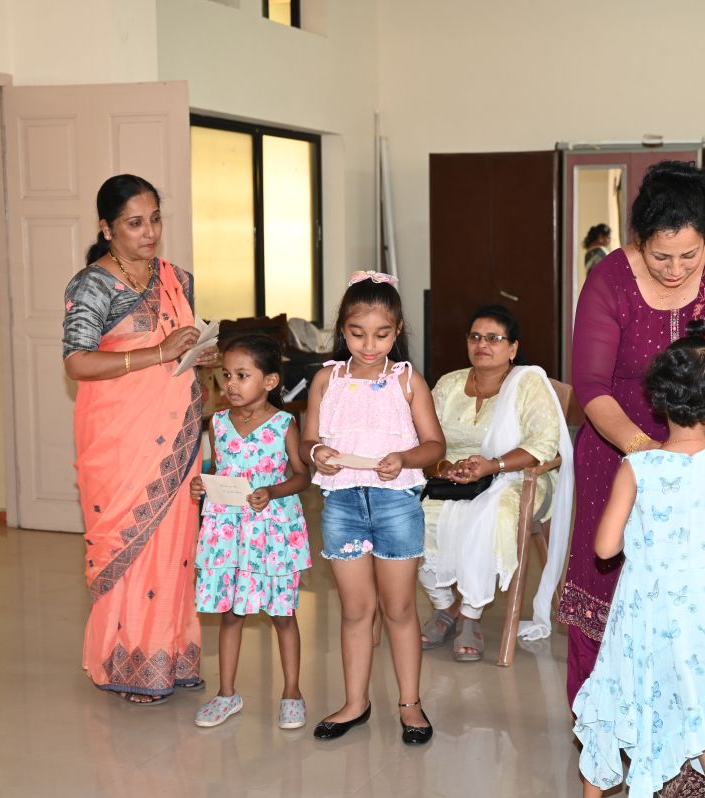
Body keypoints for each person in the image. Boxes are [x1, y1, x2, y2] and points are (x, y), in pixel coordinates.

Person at [558, 160, 705, 707]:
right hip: (617, 451)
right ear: (639, 239)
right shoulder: (609, 278)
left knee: (703, 586)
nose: (675, 269)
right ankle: (608, 719)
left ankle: (699, 717)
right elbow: (591, 385)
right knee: (610, 583)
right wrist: (647, 454)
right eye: (660, 256)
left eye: (689, 255)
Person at [572, 326, 705, 798]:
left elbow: (605, 549)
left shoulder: (638, 467)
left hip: (645, 608)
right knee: (704, 711)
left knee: (616, 700)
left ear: (658, 398)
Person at [63, 174, 217, 704]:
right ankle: (127, 661)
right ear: (107, 229)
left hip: (175, 432)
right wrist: (158, 352)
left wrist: (198, 354)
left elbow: (179, 347)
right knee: (132, 546)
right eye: (134, 223)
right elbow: (78, 361)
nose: (149, 232)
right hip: (120, 440)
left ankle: (170, 655)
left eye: (154, 219)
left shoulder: (177, 278)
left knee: (176, 546)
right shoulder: (92, 286)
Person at [301, 271, 445, 744]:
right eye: (357, 333)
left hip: (395, 504)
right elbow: (307, 439)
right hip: (342, 505)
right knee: (355, 610)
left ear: (397, 330)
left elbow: (435, 446)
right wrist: (316, 452)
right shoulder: (327, 380)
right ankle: (355, 702)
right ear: (342, 330)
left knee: (399, 609)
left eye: (381, 335)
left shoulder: (407, 381)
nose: (369, 345)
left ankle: (410, 703)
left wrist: (404, 458)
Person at [416, 305, 574, 661]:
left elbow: (543, 445)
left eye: (493, 338)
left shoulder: (528, 383)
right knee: (415, 518)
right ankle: (445, 607)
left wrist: (493, 465)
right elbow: (426, 439)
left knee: (492, 516)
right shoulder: (449, 384)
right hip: (453, 480)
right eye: (475, 337)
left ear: (513, 348)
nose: (482, 344)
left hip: (515, 475)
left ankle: (470, 615)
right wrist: (445, 467)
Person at [189, 334, 313, 729]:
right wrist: (203, 483)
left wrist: (271, 491)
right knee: (231, 612)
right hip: (229, 531)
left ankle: (291, 692)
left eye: (242, 375)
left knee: (282, 614)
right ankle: (227, 694)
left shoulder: (283, 424)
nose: (231, 384)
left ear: (270, 381)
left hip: (271, 533)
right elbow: (218, 468)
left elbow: (302, 476)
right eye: (226, 375)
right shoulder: (218, 423)